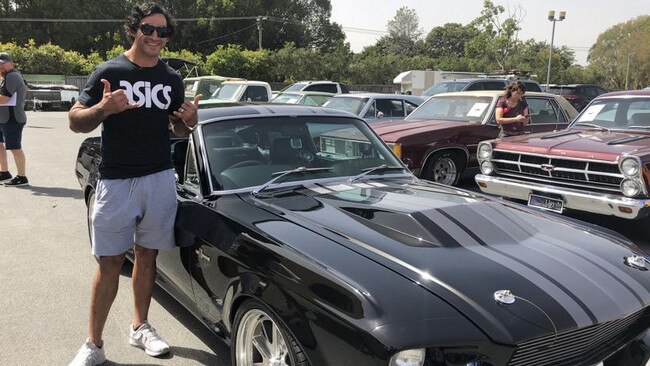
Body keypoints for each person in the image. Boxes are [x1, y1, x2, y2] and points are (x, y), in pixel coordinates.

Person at [67, 3, 200, 365]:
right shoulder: (109, 71)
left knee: (148, 255)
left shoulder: (172, 79)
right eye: (149, 28)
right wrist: (103, 110)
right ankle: (93, 344)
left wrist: (190, 121)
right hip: (116, 180)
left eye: (163, 31)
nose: (156, 36)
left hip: (158, 179)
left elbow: (176, 128)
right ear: (133, 30)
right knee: (109, 262)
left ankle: (140, 327)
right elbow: (76, 121)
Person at [0, 52, 29, 186]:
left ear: (10, 64)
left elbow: (4, 98)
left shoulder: (12, 76)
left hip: (13, 119)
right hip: (4, 118)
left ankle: (22, 177)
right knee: (0, 145)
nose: (1, 67)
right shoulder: (6, 77)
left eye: (2, 64)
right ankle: (4, 172)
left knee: (15, 147)